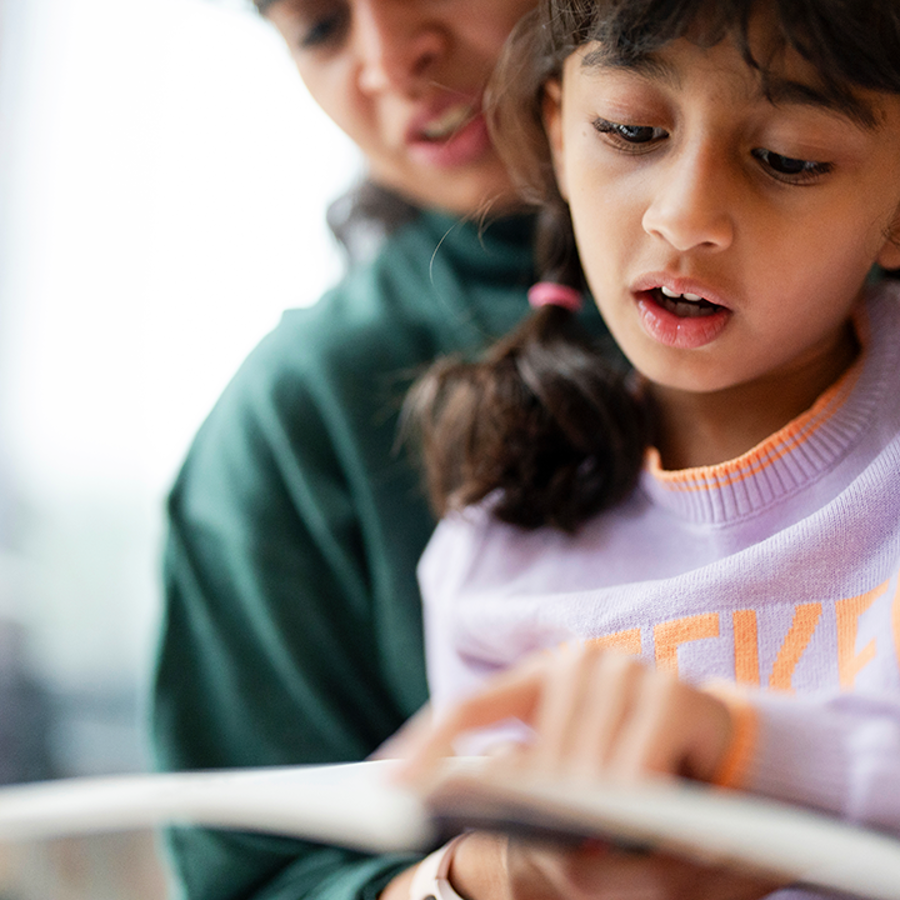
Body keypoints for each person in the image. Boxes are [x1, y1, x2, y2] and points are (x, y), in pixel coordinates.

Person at [395, 1, 900, 898]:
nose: (684, 216)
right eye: (630, 130)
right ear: (558, 130)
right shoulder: (499, 539)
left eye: (789, 160)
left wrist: (754, 760)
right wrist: (502, 876)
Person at [148, 2, 619, 900]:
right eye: (322, 26)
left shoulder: (866, 297)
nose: (390, 60)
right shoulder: (296, 418)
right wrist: (487, 880)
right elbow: (252, 875)